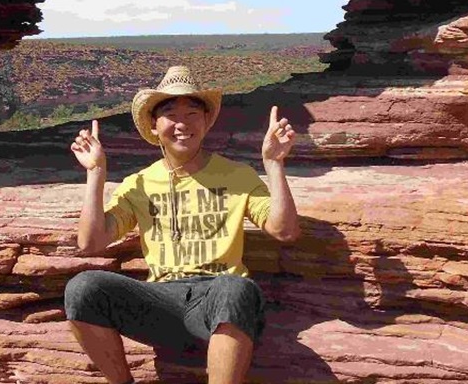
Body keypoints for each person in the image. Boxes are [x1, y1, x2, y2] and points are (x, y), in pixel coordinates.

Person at [64, 65, 299, 384]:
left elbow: (284, 230)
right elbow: (90, 243)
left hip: (219, 298)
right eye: (171, 113)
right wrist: (96, 174)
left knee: (235, 288)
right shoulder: (140, 183)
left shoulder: (237, 175)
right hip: (161, 301)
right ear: (154, 124)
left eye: (192, 113)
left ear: (205, 121)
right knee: (83, 288)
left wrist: (273, 164)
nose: (182, 124)